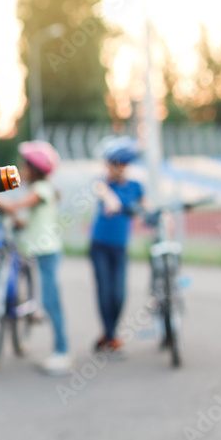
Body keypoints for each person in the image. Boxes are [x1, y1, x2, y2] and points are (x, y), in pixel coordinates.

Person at [0, 141, 70, 375]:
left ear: (35, 169)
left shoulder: (42, 189)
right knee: (47, 298)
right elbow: (29, 219)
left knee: (52, 302)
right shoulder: (41, 189)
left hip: (48, 253)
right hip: (41, 252)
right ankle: (46, 332)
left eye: (24, 166)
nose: (21, 170)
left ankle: (62, 352)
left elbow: (16, 205)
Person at [88, 136, 145, 356]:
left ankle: (109, 335)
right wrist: (111, 200)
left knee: (119, 293)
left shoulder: (136, 186)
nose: (120, 167)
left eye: (124, 163)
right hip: (99, 245)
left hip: (120, 247)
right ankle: (111, 337)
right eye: (116, 163)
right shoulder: (102, 183)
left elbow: (146, 207)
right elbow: (103, 193)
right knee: (104, 291)